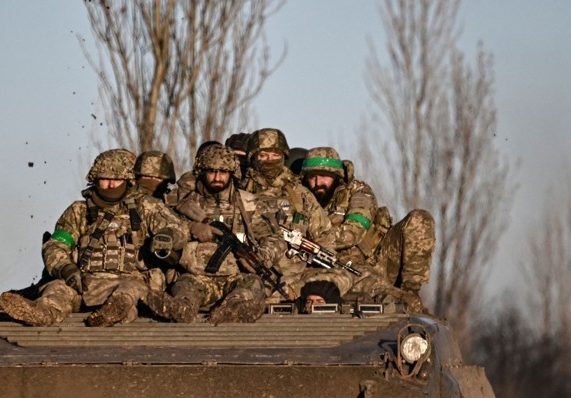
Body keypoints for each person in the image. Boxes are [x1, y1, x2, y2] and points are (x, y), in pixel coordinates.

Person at [0, 149, 188, 327]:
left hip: (130, 280)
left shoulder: (146, 207)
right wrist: (65, 269)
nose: (111, 185)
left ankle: (112, 314)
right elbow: (56, 244)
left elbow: (177, 227)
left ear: (128, 180)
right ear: (95, 179)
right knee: (57, 290)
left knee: (129, 293)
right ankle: (40, 313)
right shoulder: (79, 211)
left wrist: (167, 236)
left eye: (117, 179)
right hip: (84, 282)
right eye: (104, 179)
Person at [143, 142, 286, 324]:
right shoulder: (182, 202)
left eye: (223, 172)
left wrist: (262, 256)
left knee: (251, 287)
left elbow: (274, 238)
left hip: (238, 276)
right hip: (195, 276)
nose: (217, 177)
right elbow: (164, 232)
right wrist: (191, 229)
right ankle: (180, 309)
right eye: (212, 171)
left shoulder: (249, 204)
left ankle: (233, 310)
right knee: (184, 290)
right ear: (202, 172)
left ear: (232, 174)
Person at [301, 147, 436, 310]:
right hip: (328, 271)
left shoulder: (359, 192)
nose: (317, 183)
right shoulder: (301, 200)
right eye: (312, 177)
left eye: (324, 177)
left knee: (419, 219)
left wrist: (313, 242)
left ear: (337, 176)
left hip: (376, 263)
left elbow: (353, 232)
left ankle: (408, 294)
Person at [240, 128, 332, 300]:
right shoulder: (239, 192)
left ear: (283, 156)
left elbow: (324, 238)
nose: (270, 160)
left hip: (296, 278)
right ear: (253, 157)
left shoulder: (298, 193)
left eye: (275, 155)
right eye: (263, 155)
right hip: (250, 273)